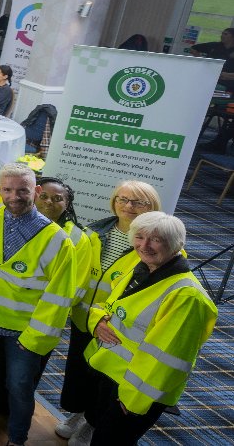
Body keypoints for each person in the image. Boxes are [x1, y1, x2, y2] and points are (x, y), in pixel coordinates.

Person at [0, 164, 76, 445]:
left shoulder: (58, 241)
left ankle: (17, 438)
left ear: (37, 191)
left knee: (19, 386)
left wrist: (35, 339)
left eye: (23, 190)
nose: (14, 196)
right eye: (7, 190)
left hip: (24, 331)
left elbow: (59, 299)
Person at [78, 212, 215, 445]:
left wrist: (133, 400)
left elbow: (166, 360)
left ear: (177, 245)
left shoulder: (187, 296)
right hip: (112, 372)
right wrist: (98, 322)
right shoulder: (141, 268)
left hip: (137, 393)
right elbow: (110, 306)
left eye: (156, 239)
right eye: (139, 237)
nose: (144, 246)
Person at [54, 180, 159, 439]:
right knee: (81, 369)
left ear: (151, 206)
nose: (128, 206)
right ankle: (79, 412)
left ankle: (92, 423)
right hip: (85, 317)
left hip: (118, 326)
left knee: (106, 379)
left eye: (137, 201)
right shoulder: (95, 231)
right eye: (122, 199)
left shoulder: (155, 242)